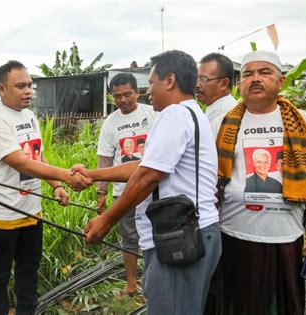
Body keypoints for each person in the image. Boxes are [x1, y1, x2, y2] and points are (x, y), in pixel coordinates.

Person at [78, 50, 221, 314]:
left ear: (169, 80)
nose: (149, 91)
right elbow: (143, 167)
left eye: (151, 83)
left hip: (181, 235)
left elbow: (148, 176)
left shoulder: (173, 115)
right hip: (193, 230)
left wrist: (106, 220)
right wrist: (93, 174)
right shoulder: (191, 114)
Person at [211, 51, 306, 314]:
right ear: (239, 84)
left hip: (285, 239)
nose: (255, 79)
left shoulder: (303, 122)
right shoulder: (221, 124)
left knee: (283, 307)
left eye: (264, 72)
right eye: (247, 74)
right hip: (233, 236)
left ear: (281, 81)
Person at [0, 60, 91, 315]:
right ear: (1, 89)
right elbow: (19, 162)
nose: (28, 90)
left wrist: (57, 185)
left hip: (31, 210)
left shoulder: (29, 116)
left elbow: (37, 155)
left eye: (29, 85)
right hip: (2, 214)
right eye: (20, 86)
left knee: (29, 270)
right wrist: (67, 174)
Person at [96, 72, 157, 295]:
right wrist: (101, 193)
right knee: (129, 238)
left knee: (158, 234)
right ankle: (131, 283)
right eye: (118, 96)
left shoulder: (153, 113)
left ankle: (155, 279)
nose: (123, 100)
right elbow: (104, 159)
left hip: (153, 187)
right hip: (124, 191)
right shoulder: (110, 124)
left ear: (137, 92)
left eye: (127, 94)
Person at [196, 53, 236, 121]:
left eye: (203, 79)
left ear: (223, 84)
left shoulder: (224, 115)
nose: (197, 85)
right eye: (197, 79)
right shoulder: (215, 108)